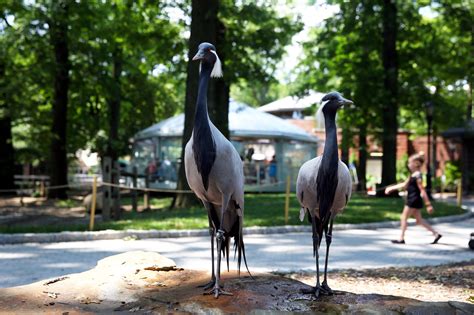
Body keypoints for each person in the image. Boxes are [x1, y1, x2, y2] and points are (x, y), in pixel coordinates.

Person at [385, 152, 442, 244]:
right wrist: (391, 188)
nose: (408, 165)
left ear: (415, 164)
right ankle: (436, 234)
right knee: (419, 221)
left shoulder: (418, 176)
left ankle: (401, 238)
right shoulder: (413, 175)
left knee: (403, 217)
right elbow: (404, 185)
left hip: (413, 199)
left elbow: (422, 190)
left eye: (409, 163)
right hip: (414, 199)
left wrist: (428, 204)